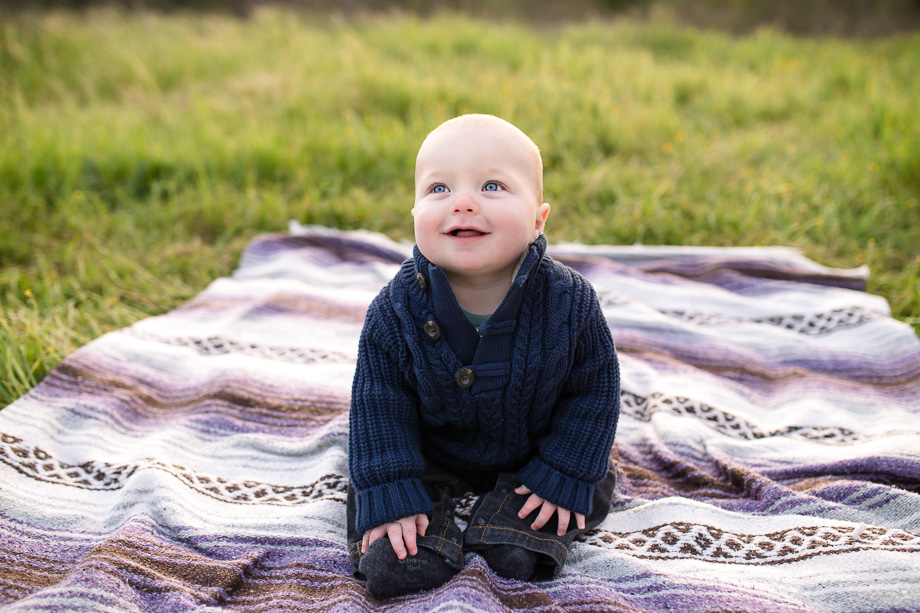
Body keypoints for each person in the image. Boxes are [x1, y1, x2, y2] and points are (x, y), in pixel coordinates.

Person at [347, 114, 620, 599]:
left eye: (492, 186)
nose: (463, 203)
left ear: (538, 219)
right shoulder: (394, 311)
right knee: (378, 484)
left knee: (587, 473)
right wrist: (389, 485)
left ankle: (519, 526)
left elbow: (594, 392)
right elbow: (378, 404)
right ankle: (414, 536)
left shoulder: (570, 304)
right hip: (428, 449)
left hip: (539, 446)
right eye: (438, 190)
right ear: (412, 212)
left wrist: (564, 469)